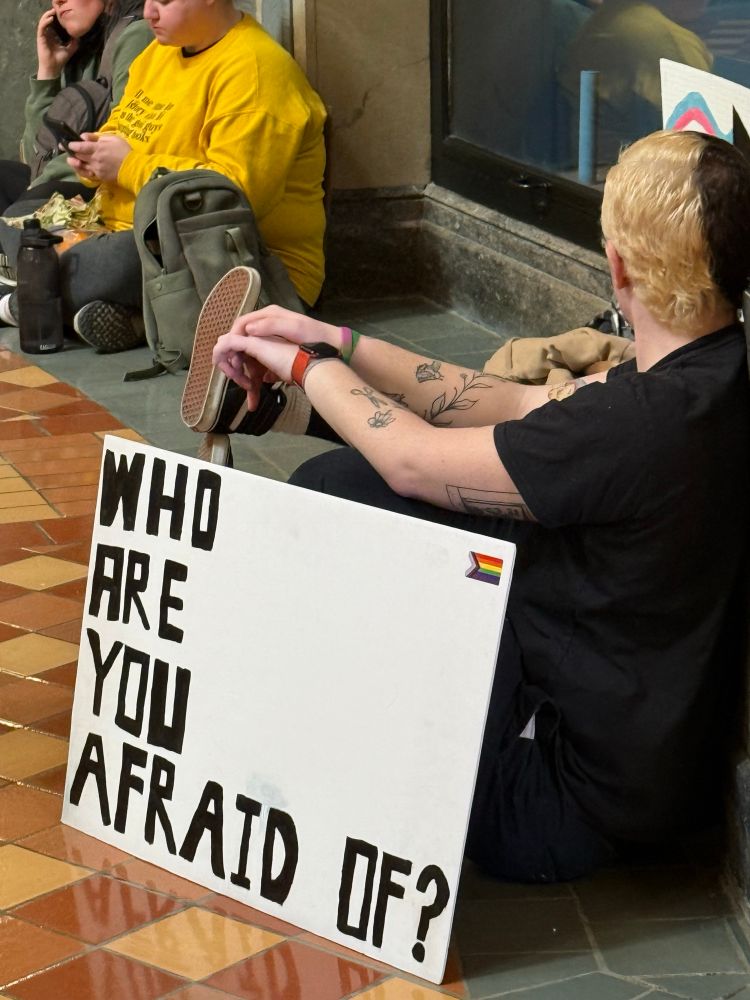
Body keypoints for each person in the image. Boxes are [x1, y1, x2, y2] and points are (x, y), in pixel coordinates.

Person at [185, 129, 750, 881]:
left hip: (553, 805)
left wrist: (304, 365)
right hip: (630, 771)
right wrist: (337, 344)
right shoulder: (711, 373)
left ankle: (273, 733)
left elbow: (416, 463)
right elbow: (514, 401)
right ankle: (279, 412)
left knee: (346, 495)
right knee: (362, 483)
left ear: (618, 264)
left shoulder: (641, 424)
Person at [0, 0, 327, 355]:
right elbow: (121, 130)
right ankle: (97, 306)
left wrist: (126, 167)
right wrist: (93, 159)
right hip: (130, 231)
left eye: (165, 1)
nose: (149, 12)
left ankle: (27, 298)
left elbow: (233, 197)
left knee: (103, 263)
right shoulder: (158, 53)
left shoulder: (258, 71)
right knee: (25, 229)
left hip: (238, 260)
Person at [0, 0, 151, 216]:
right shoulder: (80, 51)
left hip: (106, 185)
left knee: (30, 203)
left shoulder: (137, 35)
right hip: (58, 180)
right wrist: (48, 72)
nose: (58, 2)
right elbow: (36, 157)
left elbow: (127, 137)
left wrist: (38, 185)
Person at [560, 0, 712, 165]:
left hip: (611, 175)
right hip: (642, 178)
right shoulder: (660, 38)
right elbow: (707, 149)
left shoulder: (616, 14)